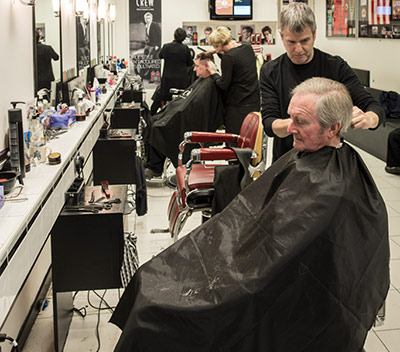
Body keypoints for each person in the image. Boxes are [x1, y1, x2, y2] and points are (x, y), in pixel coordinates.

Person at [111, 77, 389, 352]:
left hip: (261, 285)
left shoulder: (334, 189)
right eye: (290, 118)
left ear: (334, 128)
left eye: (300, 122)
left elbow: (287, 262)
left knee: (155, 311)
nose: (290, 128)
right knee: (149, 279)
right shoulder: (306, 159)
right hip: (244, 261)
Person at [260, 2, 385, 161]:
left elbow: (373, 107)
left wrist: (370, 119)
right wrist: (302, 124)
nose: (298, 49)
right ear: (281, 35)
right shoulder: (270, 71)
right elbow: (270, 124)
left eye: (305, 41)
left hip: (331, 160)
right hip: (287, 159)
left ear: (314, 33)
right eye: (291, 42)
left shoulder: (335, 67)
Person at [144, 52, 224, 178]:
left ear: (207, 66)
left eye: (198, 66)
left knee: (157, 128)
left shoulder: (211, 84)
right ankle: (151, 163)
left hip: (189, 122)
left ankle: (156, 168)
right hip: (182, 116)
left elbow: (197, 111)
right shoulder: (202, 81)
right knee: (152, 122)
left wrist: (174, 115)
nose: (194, 69)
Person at [208, 26, 260, 133]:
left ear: (219, 45)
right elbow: (236, 61)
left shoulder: (228, 57)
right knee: (250, 138)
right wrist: (217, 51)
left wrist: (213, 73)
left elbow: (223, 84)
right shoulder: (247, 47)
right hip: (254, 102)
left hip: (238, 107)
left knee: (235, 142)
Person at [158, 28, 193, 104]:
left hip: (168, 79)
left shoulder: (166, 47)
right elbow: (190, 63)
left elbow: (160, 56)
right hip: (181, 80)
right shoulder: (185, 48)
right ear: (184, 38)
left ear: (174, 35)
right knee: (180, 102)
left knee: (166, 100)